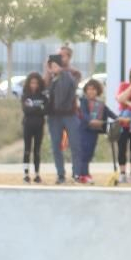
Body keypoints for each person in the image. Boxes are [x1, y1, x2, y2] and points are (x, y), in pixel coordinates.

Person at [44, 54, 81, 183]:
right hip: (55, 117)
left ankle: (76, 173)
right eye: (50, 66)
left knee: (75, 145)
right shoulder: (53, 78)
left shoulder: (66, 77)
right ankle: (61, 174)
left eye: (54, 65)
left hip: (68, 115)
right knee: (55, 146)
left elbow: (60, 98)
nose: (52, 68)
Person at [77, 79, 111, 184]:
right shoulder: (83, 101)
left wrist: (119, 118)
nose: (91, 91)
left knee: (90, 153)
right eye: (88, 89)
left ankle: (85, 173)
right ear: (85, 91)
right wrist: (91, 121)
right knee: (85, 153)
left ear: (98, 91)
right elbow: (84, 114)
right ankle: (83, 175)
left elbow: (109, 112)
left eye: (93, 89)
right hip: (84, 131)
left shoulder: (100, 103)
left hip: (94, 131)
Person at [19, 72, 46, 183]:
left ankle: (37, 174)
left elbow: (45, 110)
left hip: (39, 125)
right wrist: (38, 108)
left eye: (36, 83)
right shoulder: (25, 95)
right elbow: (26, 110)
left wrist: (35, 108)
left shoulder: (42, 96)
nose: (34, 85)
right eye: (32, 83)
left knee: (37, 150)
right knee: (27, 149)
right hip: (28, 125)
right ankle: (26, 174)